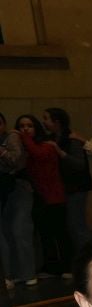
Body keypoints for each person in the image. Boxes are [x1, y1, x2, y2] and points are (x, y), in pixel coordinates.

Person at [16, 115, 71, 277]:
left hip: (54, 196)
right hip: (38, 197)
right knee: (45, 234)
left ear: (37, 128)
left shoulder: (47, 146)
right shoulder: (25, 148)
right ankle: (51, 268)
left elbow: (38, 155)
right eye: (22, 126)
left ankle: (67, 267)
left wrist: (23, 137)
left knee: (60, 233)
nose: (25, 129)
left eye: (29, 126)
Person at [44, 108, 92, 254]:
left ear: (57, 122)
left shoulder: (72, 139)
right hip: (61, 187)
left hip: (76, 187)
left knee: (77, 225)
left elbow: (79, 164)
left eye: (46, 118)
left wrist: (59, 152)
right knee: (69, 225)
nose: (44, 122)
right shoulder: (51, 139)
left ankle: (89, 259)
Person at [0, 113, 35, 289]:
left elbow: (15, 160)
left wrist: (2, 150)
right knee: (7, 232)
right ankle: (12, 274)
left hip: (18, 188)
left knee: (20, 230)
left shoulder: (12, 137)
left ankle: (27, 273)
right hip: (6, 190)